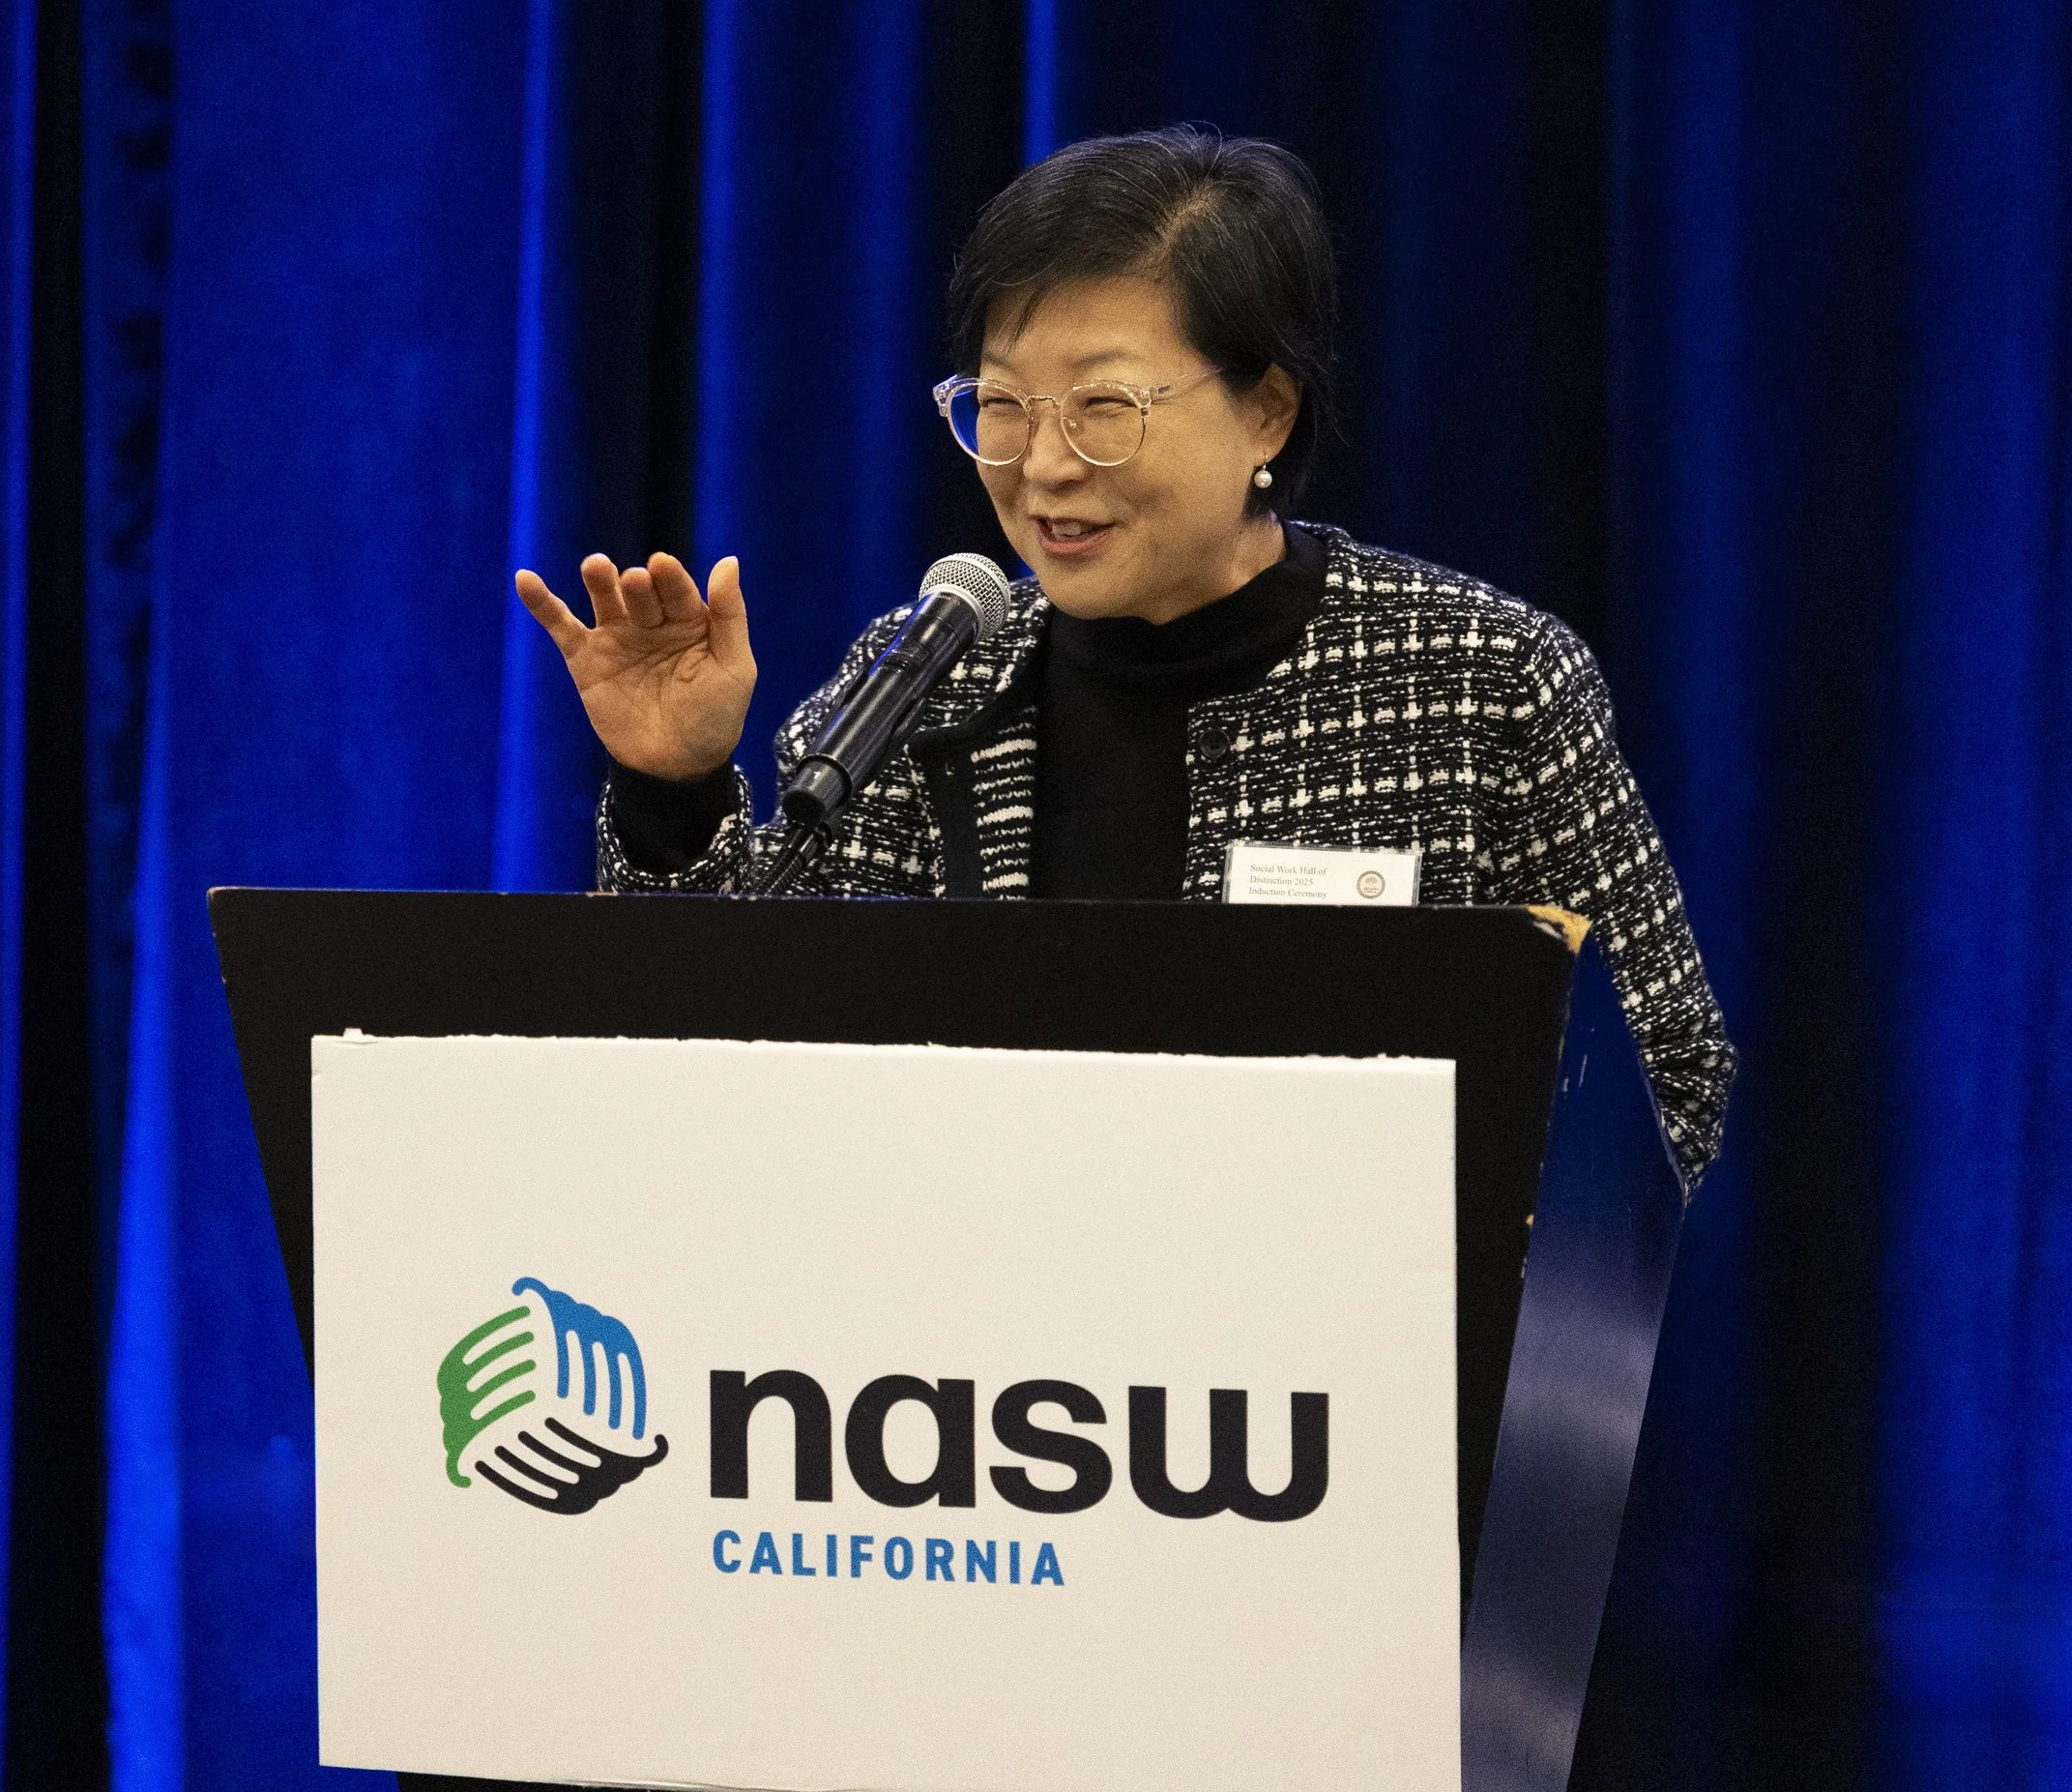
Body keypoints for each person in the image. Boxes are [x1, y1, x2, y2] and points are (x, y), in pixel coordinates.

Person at [514, 128, 1735, 1176]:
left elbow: (1670, 1083)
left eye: (1102, 409)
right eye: (1000, 406)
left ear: (1265, 408)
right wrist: (673, 790)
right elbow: (717, 1048)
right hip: (960, 1395)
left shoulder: (1481, 681)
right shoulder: (929, 677)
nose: (1042, 466)